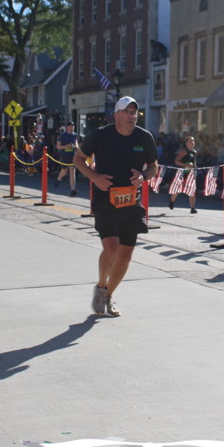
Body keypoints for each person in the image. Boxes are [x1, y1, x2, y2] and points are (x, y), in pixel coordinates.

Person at [73, 96, 159, 317]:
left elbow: (153, 167)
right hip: (105, 198)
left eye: (134, 113)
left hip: (131, 200)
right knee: (111, 249)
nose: (131, 116)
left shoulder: (144, 137)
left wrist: (143, 176)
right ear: (116, 114)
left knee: (126, 254)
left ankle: (109, 296)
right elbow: (78, 159)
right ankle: (101, 286)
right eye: (127, 112)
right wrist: (95, 177)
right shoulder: (100, 135)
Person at [168, 135, 198, 214]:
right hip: (181, 172)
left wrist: (195, 168)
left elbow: (194, 163)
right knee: (178, 189)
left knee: (192, 190)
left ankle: (192, 208)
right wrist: (186, 165)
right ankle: (172, 201)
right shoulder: (184, 151)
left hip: (190, 173)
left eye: (193, 141)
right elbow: (176, 161)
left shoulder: (194, 152)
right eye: (190, 141)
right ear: (186, 143)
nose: (192, 142)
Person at [54, 120, 79, 196]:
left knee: (72, 170)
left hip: (72, 155)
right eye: (70, 126)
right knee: (64, 171)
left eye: (73, 126)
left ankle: (72, 189)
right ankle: (58, 179)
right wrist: (66, 146)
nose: (72, 127)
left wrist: (76, 147)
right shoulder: (63, 136)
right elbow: (58, 146)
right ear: (67, 127)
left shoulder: (75, 135)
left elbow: (76, 144)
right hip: (64, 155)